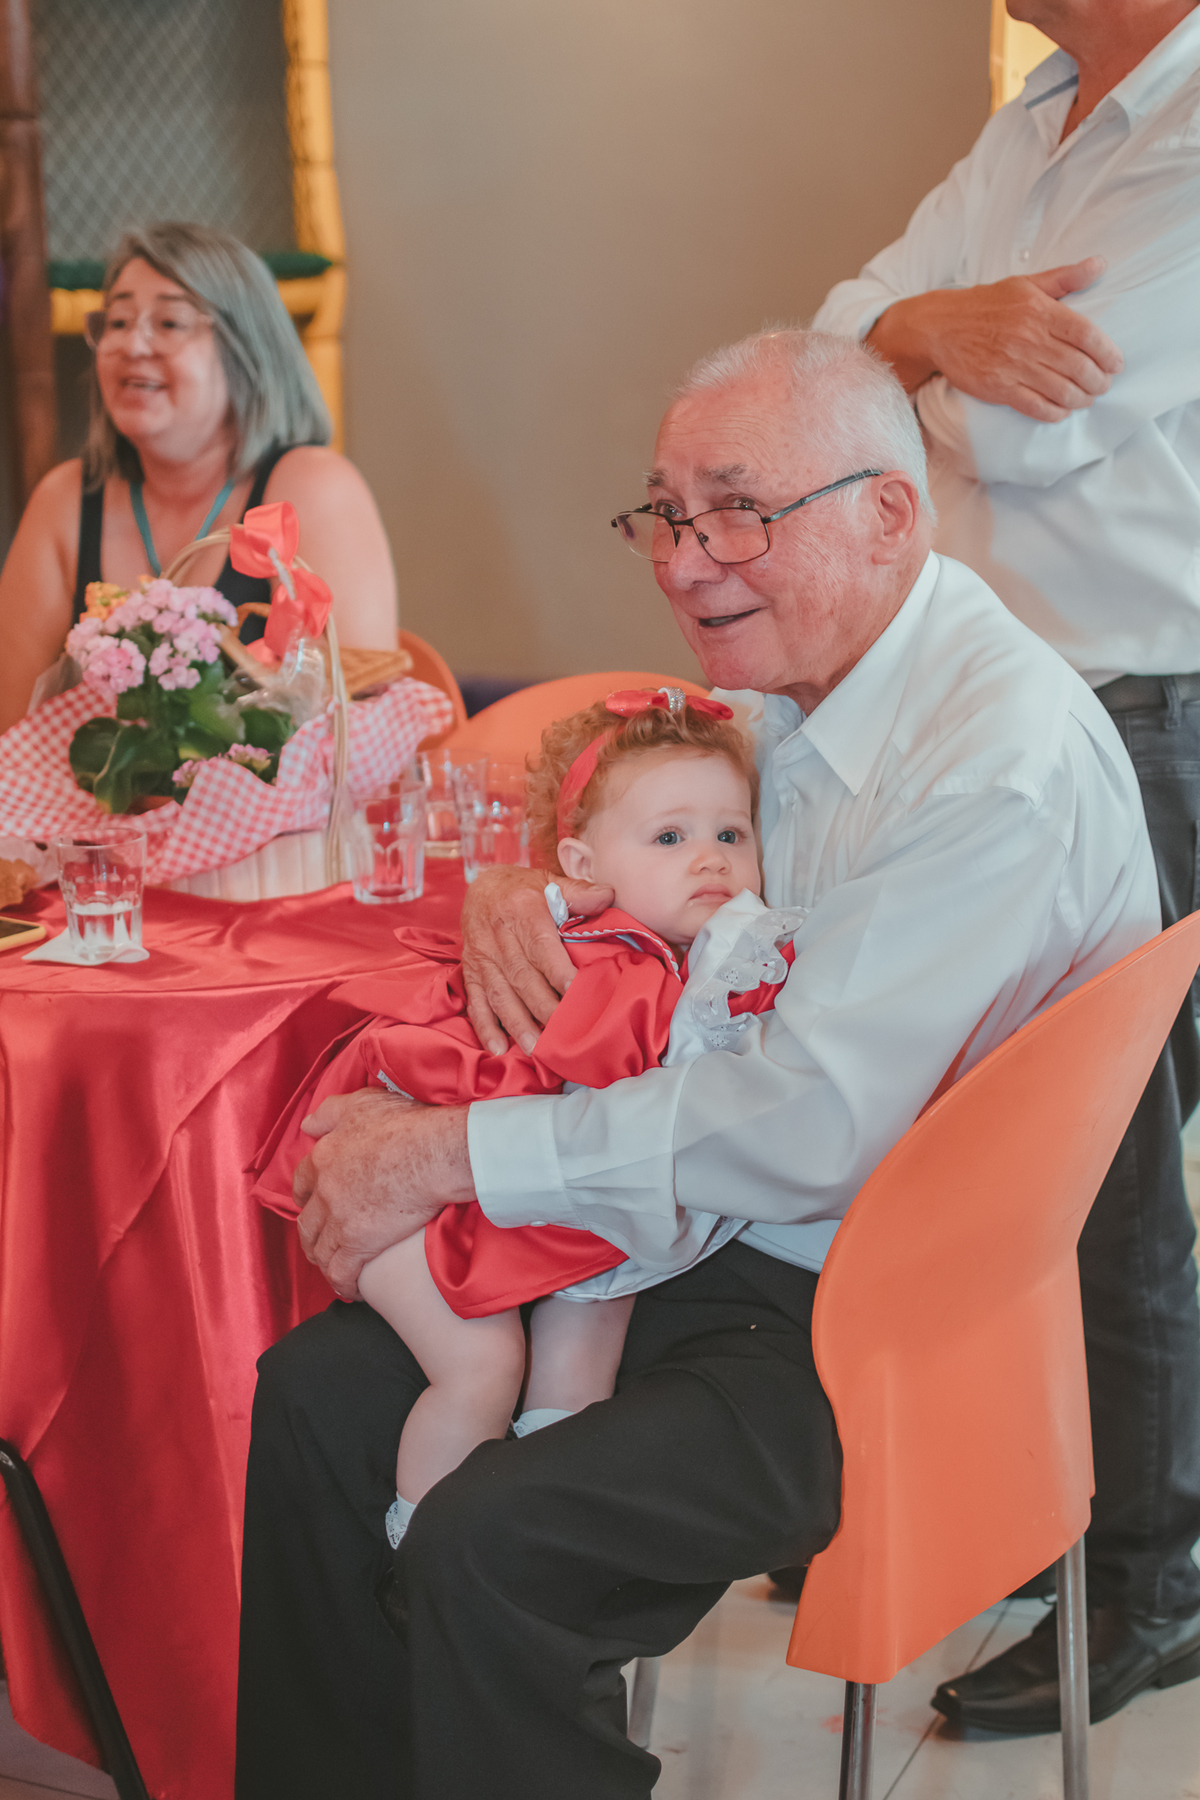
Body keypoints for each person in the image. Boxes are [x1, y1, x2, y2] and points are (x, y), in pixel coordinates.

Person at [235, 329, 1158, 1800]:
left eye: (737, 510)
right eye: (666, 512)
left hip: (869, 1318)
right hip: (712, 1251)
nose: (682, 559)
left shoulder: (993, 766)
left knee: (492, 1539)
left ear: (889, 514)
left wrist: (450, 1153)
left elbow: (803, 1128)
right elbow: (627, 809)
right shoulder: (808, 680)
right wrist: (517, 887)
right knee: (312, 1404)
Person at [811, 0, 1200, 1733]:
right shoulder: (1033, 118)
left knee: (1099, 1165)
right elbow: (827, 359)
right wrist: (917, 331)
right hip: (1028, 707)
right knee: (997, 1140)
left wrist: (916, 375)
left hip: (1152, 713)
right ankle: (1049, 1519)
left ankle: (1151, 1581)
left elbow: (1044, 431)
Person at [252, 691, 803, 1549]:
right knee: (481, 1366)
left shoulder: (662, 960)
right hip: (421, 1210)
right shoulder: (606, 967)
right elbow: (618, 1088)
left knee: (599, 1315)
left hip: (521, 1207)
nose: (711, 859)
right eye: (671, 837)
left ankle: (539, 1505)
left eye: (732, 835)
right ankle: (422, 1549)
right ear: (580, 864)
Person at [0, 220, 398, 733]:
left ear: (245, 349)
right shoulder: (66, 501)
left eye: (168, 324)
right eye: (117, 322)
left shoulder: (314, 490)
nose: (131, 344)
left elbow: (362, 731)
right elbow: (9, 730)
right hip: (86, 812)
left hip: (287, 814)